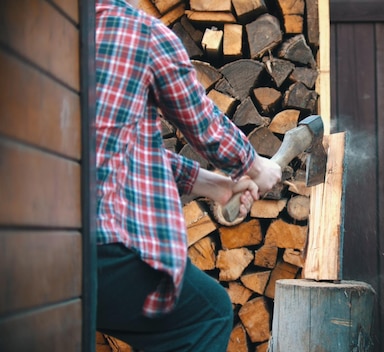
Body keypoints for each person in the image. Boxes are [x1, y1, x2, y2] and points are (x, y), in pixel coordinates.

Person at [94, 0, 282, 351]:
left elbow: (128, 152)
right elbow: (204, 124)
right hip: (99, 250)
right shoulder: (140, 32)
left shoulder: (44, 36)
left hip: (29, 248)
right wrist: (255, 166)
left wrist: (217, 186)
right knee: (207, 311)